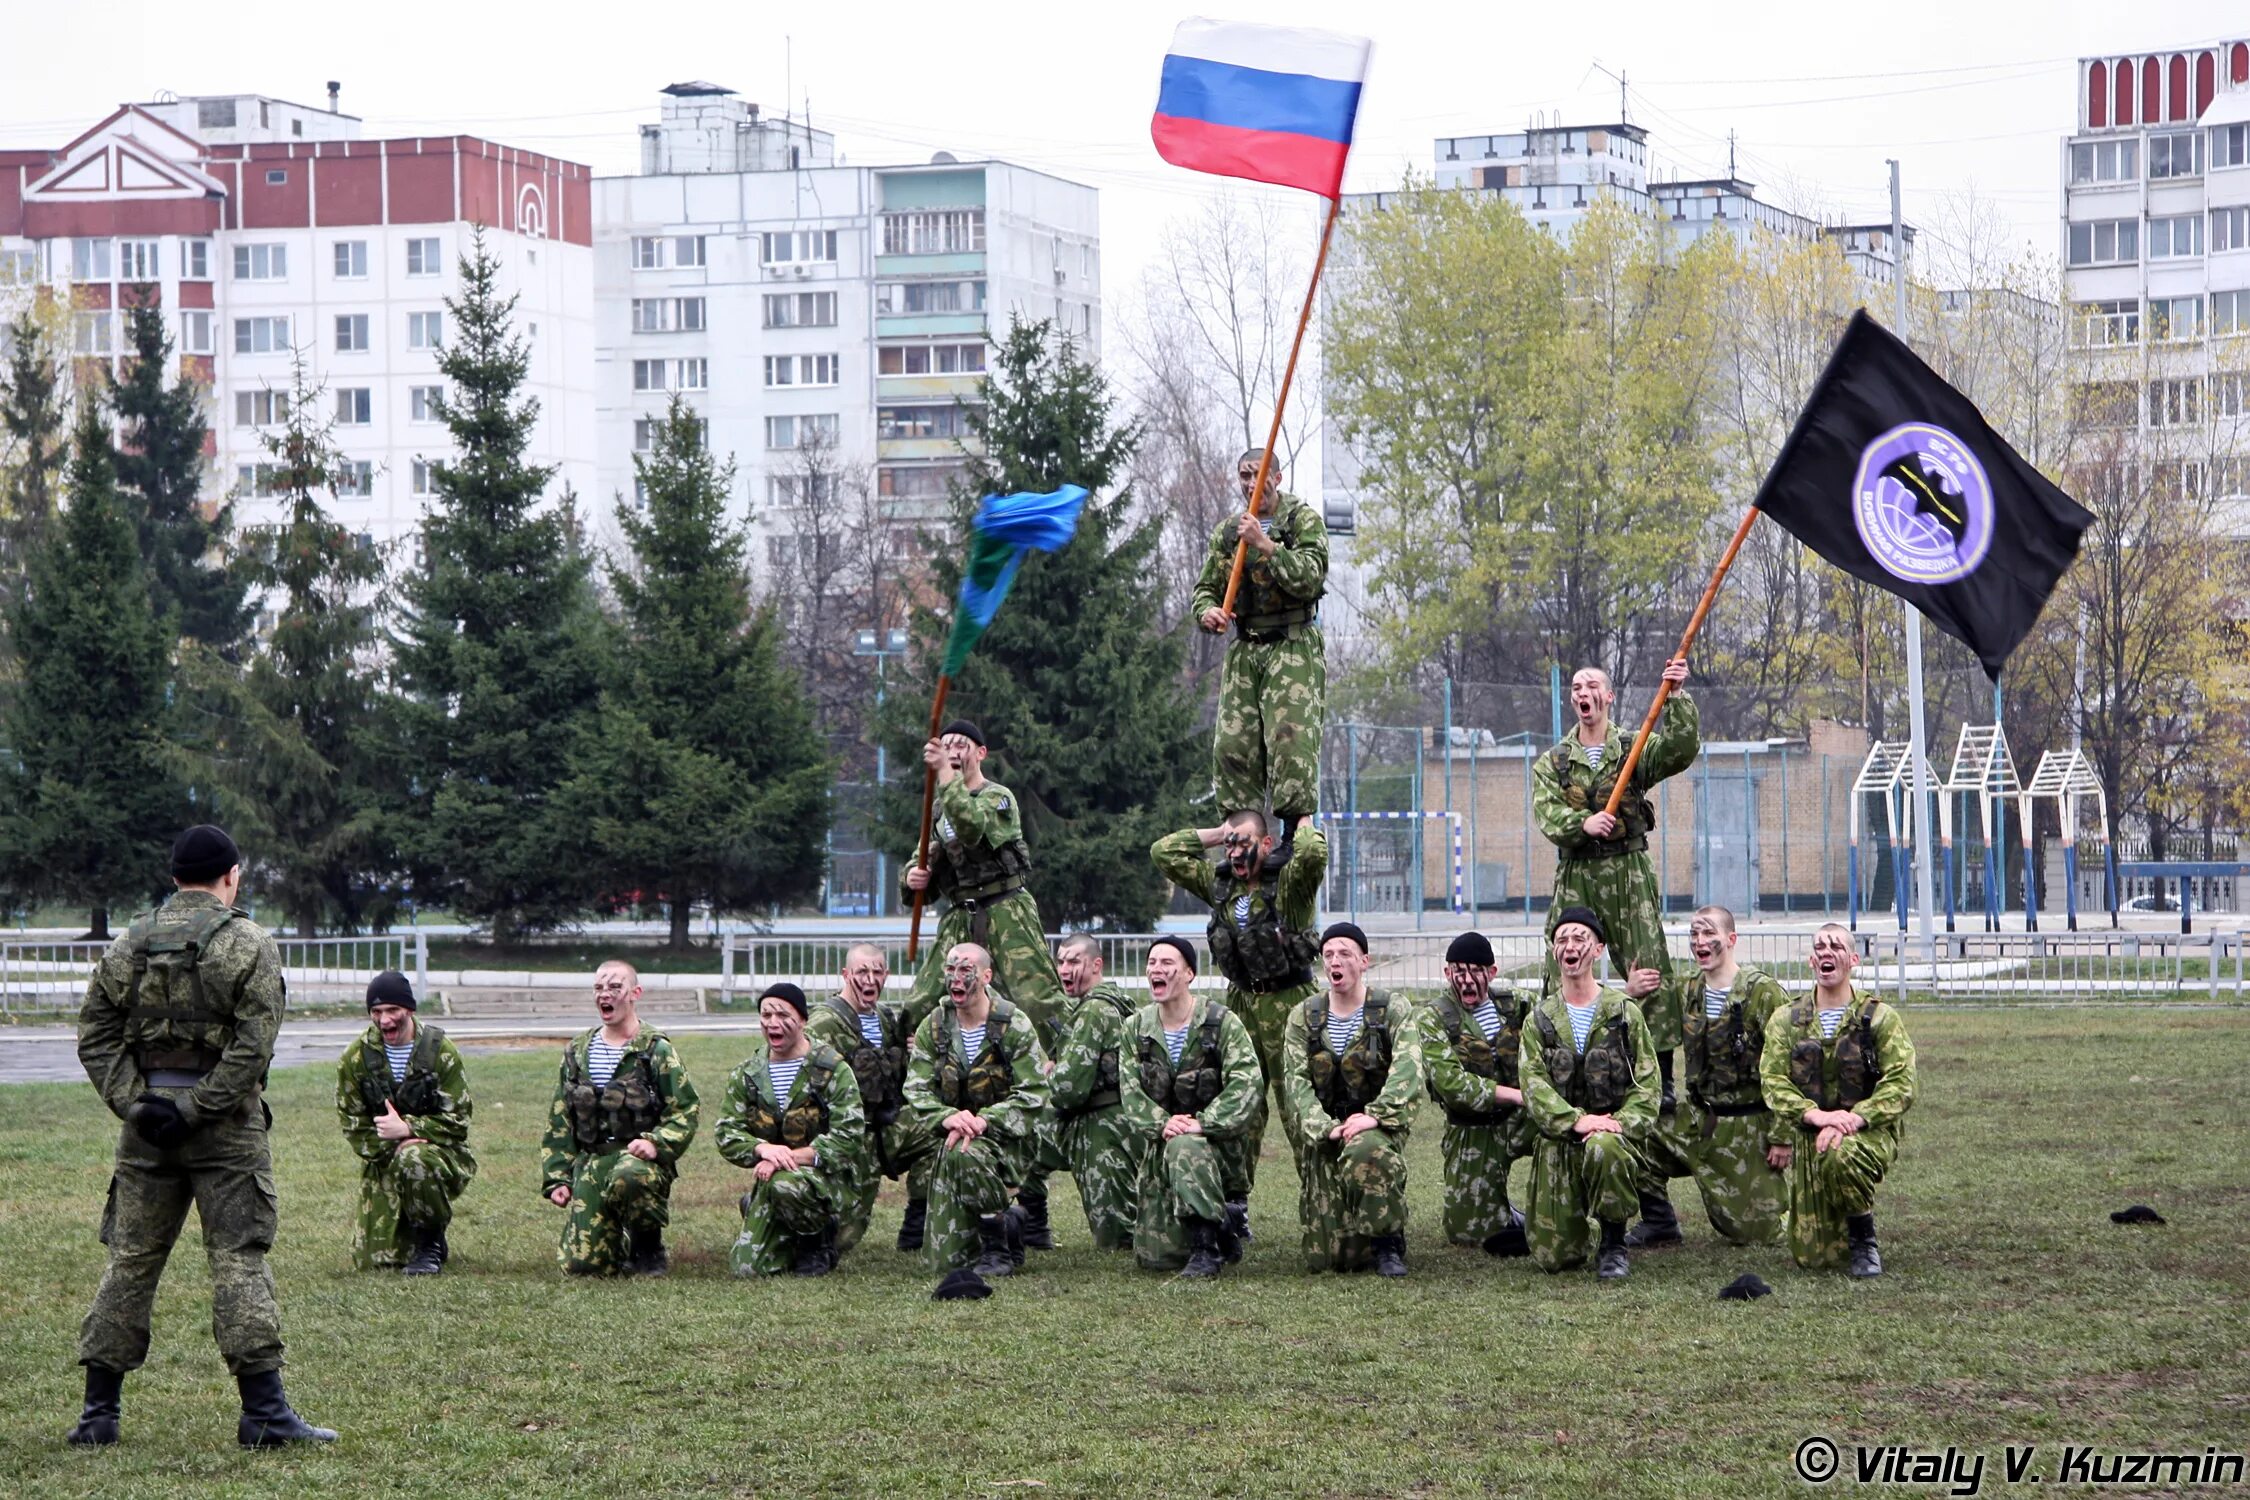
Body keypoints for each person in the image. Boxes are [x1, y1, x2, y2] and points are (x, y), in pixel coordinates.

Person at [68, 824, 335, 1448]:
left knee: (130, 1261)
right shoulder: (247, 943)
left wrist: (139, 1104)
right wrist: (197, 1108)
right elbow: (252, 1046)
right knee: (237, 1259)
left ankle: (97, 1416)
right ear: (232, 875)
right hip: (226, 1129)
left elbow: (95, 1036)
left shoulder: (127, 944)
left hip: (146, 1130)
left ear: (174, 877)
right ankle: (264, 1414)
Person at [1532, 659, 1699, 1113]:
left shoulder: (1634, 746)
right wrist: (1583, 822)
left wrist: (1677, 698)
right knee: (1560, 961)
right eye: (1575, 687)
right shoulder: (1554, 762)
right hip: (1578, 872)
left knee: (1649, 966)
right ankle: (1557, 1065)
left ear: (1608, 697)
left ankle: (1659, 1076)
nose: (1582, 692)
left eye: (1591, 686)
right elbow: (1547, 813)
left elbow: (1680, 752)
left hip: (1627, 869)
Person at [1149, 810, 1328, 1183]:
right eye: (1230, 845)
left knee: (1298, 1101)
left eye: (1243, 843)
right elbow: (1164, 852)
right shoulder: (1221, 887)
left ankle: (1319, 1193)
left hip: (1289, 1003)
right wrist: (1220, 832)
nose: (1234, 852)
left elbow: (1312, 855)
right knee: (1238, 1101)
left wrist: (1303, 819)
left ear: (1266, 844)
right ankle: (1233, 1200)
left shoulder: (1289, 884)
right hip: (1242, 1004)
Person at [900, 720, 1069, 1055]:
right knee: (923, 998)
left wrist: (945, 776)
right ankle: (917, 1070)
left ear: (980, 753)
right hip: (961, 912)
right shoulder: (939, 810)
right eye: (946, 746)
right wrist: (912, 876)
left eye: (961, 746)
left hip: (1006, 909)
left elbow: (972, 828)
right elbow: (922, 855)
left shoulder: (997, 797)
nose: (953, 753)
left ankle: (1063, 1064)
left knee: (1035, 998)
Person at [1760, 925, 1918, 1277]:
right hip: (1811, 1133)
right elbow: (1772, 1081)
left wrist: (1858, 1118)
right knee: (1815, 1258)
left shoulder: (1879, 1018)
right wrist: (1814, 1115)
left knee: (1839, 1153)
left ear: (1854, 960)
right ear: (1811, 961)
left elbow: (1903, 1082)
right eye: (1819, 947)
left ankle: (1865, 1239)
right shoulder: (1787, 1020)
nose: (1826, 952)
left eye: (1836, 947)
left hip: (1867, 1133)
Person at [1629, 906, 1790, 1250]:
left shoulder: (1762, 993)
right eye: (1694, 934)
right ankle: (1659, 1222)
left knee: (1755, 1234)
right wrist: (1630, 992)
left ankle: (1806, 1213)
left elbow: (1789, 1065)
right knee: (1634, 1135)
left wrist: (1782, 1135)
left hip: (1747, 1125)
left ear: (1731, 939)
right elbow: (1631, 1025)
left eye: (1709, 934)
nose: (1699, 941)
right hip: (1700, 1118)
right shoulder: (1687, 991)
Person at [1193, 448, 1329, 854]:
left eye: (1258, 475)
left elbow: (1310, 578)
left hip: (1291, 646)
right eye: (1243, 476)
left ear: (1277, 476)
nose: (1251, 484)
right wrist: (1209, 612)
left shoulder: (1302, 521)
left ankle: (1292, 833)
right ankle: (1242, 835)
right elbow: (1205, 589)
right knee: (1233, 746)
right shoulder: (1228, 532)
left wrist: (1266, 545)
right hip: (1245, 649)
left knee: (1290, 740)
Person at [1517, 907, 1660, 1280]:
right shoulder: (1540, 1018)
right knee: (1556, 1258)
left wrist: (1616, 1124)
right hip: (1559, 1141)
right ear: (1554, 952)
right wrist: (1578, 1121)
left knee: (1604, 1147)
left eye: (1580, 938)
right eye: (1562, 939)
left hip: (1611, 1136)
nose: (1570, 946)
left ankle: (1614, 1244)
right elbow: (1532, 1086)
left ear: (1597, 950)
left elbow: (1648, 1086)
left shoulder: (1624, 1013)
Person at [1280, 923, 1424, 1276]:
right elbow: (1294, 1084)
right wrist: (1325, 1128)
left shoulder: (1391, 1008)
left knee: (1366, 1150)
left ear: (1364, 961)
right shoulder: (1304, 1015)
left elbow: (1409, 1069)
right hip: (1327, 1132)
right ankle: (1359, 1227)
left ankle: (1388, 1243)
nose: (1335, 961)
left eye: (1344, 953)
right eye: (1328, 955)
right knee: (1330, 1259)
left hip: (1376, 1128)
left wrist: (1374, 1116)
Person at [540, 960, 701, 1277]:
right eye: (599, 988)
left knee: (628, 1176)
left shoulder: (655, 1049)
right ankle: (617, 1236)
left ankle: (647, 1246)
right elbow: (560, 1118)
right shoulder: (577, 1051)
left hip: (638, 1164)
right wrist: (557, 1176)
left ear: (635, 993)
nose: (605, 995)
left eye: (615, 987)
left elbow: (685, 1109)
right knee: (582, 1266)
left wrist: (656, 1143)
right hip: (593, 1164)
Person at [901, 942, 1052, 1277]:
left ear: (986, 976)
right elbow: (915, 1088)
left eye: (965, 970)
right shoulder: (935, 1026)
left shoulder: (1014, 1024)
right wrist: (948, 1117)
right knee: (941, 1263)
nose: (956, 978)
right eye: (950, 970)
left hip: (1008, 1141)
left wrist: (985, 1121)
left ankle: (997, 1245)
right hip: (951, 1141)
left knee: (967, 1153)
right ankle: (1009, 1222)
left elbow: (1034, 1093)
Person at [1118, 936, 1264, 1277]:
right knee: (1156, 1258)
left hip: (1217, 1149)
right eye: (1152, 962)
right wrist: (1162, 1123)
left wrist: (1203, 1123)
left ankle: (1206, 1250)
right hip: (1163, 1149)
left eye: (1167, 963)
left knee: (1186, 1144)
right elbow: (1130, 1092)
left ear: (1189, 974)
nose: (1157, 969)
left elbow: (1248, 1083)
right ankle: (1224, 1222)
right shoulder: (1135, 1029)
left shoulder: (1221, 1022)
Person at [715, 983, 870, 1277]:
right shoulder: (748, 1073)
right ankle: (774, 1215)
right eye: (766, 1015)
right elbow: (726, 1132)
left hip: (825, 1181)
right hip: (773, 1178)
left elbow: (849, 1135)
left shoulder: (831, 1069)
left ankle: (819, 1238)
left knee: (784, 1184)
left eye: (783, 1015)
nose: (773, 1023)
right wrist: (763, 1149)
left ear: (802, 1020)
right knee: (748, 1269)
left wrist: (791, 1158)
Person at [334, 970, 474, 1275]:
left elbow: (459, 1120)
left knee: (416, 1159)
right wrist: (393, 1148)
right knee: (376, 1261)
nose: (385, 1021)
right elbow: (353, 1123)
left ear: (409, 1010)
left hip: (440, 1156)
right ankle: (426, 1229)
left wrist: (412, 1130)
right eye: (377, 1012)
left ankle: (430, 1243)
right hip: (383, 1157)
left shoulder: (441, 1053)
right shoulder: (355, 1058)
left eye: (393, 1010)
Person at [807, 943, 937, 1255]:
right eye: (862, 971)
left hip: (886, 1129)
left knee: (939, 1131)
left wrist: (916, 1052)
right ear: (845, 974)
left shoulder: (885, 1019)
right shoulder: (824, 1024)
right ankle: (779, 1210)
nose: (870, 978)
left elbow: (899, 1079)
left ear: (886, 975)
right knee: (841, 1239)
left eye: (877, 971)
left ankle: (916, 1224)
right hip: (847, 1138)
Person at [1417, 931, 1535, 1253]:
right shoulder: (1433, 1017)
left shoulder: (1520, 1005)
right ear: (1447, 973)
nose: (1467, 981)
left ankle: (1559, 1213)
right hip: (1471, 1128)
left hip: (1523, 1119)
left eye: (1476, 972)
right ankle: (1508, 1216)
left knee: (1562, 1137)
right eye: (1459, 972)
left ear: (1492, 973)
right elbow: (1452, 1084)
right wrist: (1517, 1095)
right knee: (1467, 1232)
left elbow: (1562, 1012)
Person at [1043, 934, 1141, 1251]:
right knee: (1027, 1142)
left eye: (1073, 961)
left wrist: (1051, 1074)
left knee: (1116, 1239)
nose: (1064, 969)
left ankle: (1030, 1229)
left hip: (1100, 1129)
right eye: (1060, 961)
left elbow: (1068, 1089)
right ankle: (1032, 1230)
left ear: (1096, 964)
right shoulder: (1117, 1004)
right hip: (1119, 1121)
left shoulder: (1094, 1011)